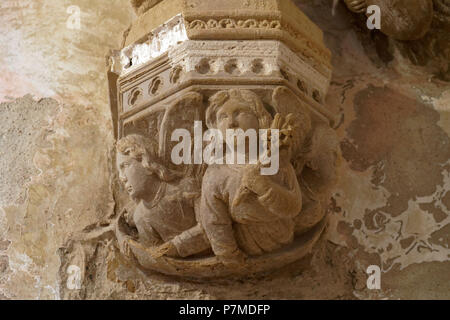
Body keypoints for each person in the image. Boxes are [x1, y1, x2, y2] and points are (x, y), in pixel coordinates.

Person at [199, 89, 303, 267]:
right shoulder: (216, 173)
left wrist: (263, 186)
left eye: (239, 113)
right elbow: (214, 221)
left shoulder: (278, 161)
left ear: (259, 119)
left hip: (282, 237)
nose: (231, 123)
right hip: (244, 245)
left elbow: (294, 206)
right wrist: (229, 255)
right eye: (222, 117)